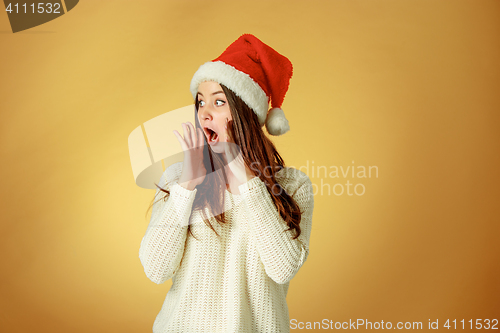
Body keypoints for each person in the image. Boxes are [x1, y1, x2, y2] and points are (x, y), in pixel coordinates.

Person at [139, 34, 314, 333]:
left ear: (245, 112)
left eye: (219, 102)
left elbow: (282, 268)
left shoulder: (293, 185)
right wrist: (186, 186)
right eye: (200, 102)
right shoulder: (177, 178)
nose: (204, 112)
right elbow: (156, 270)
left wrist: (243, 175)